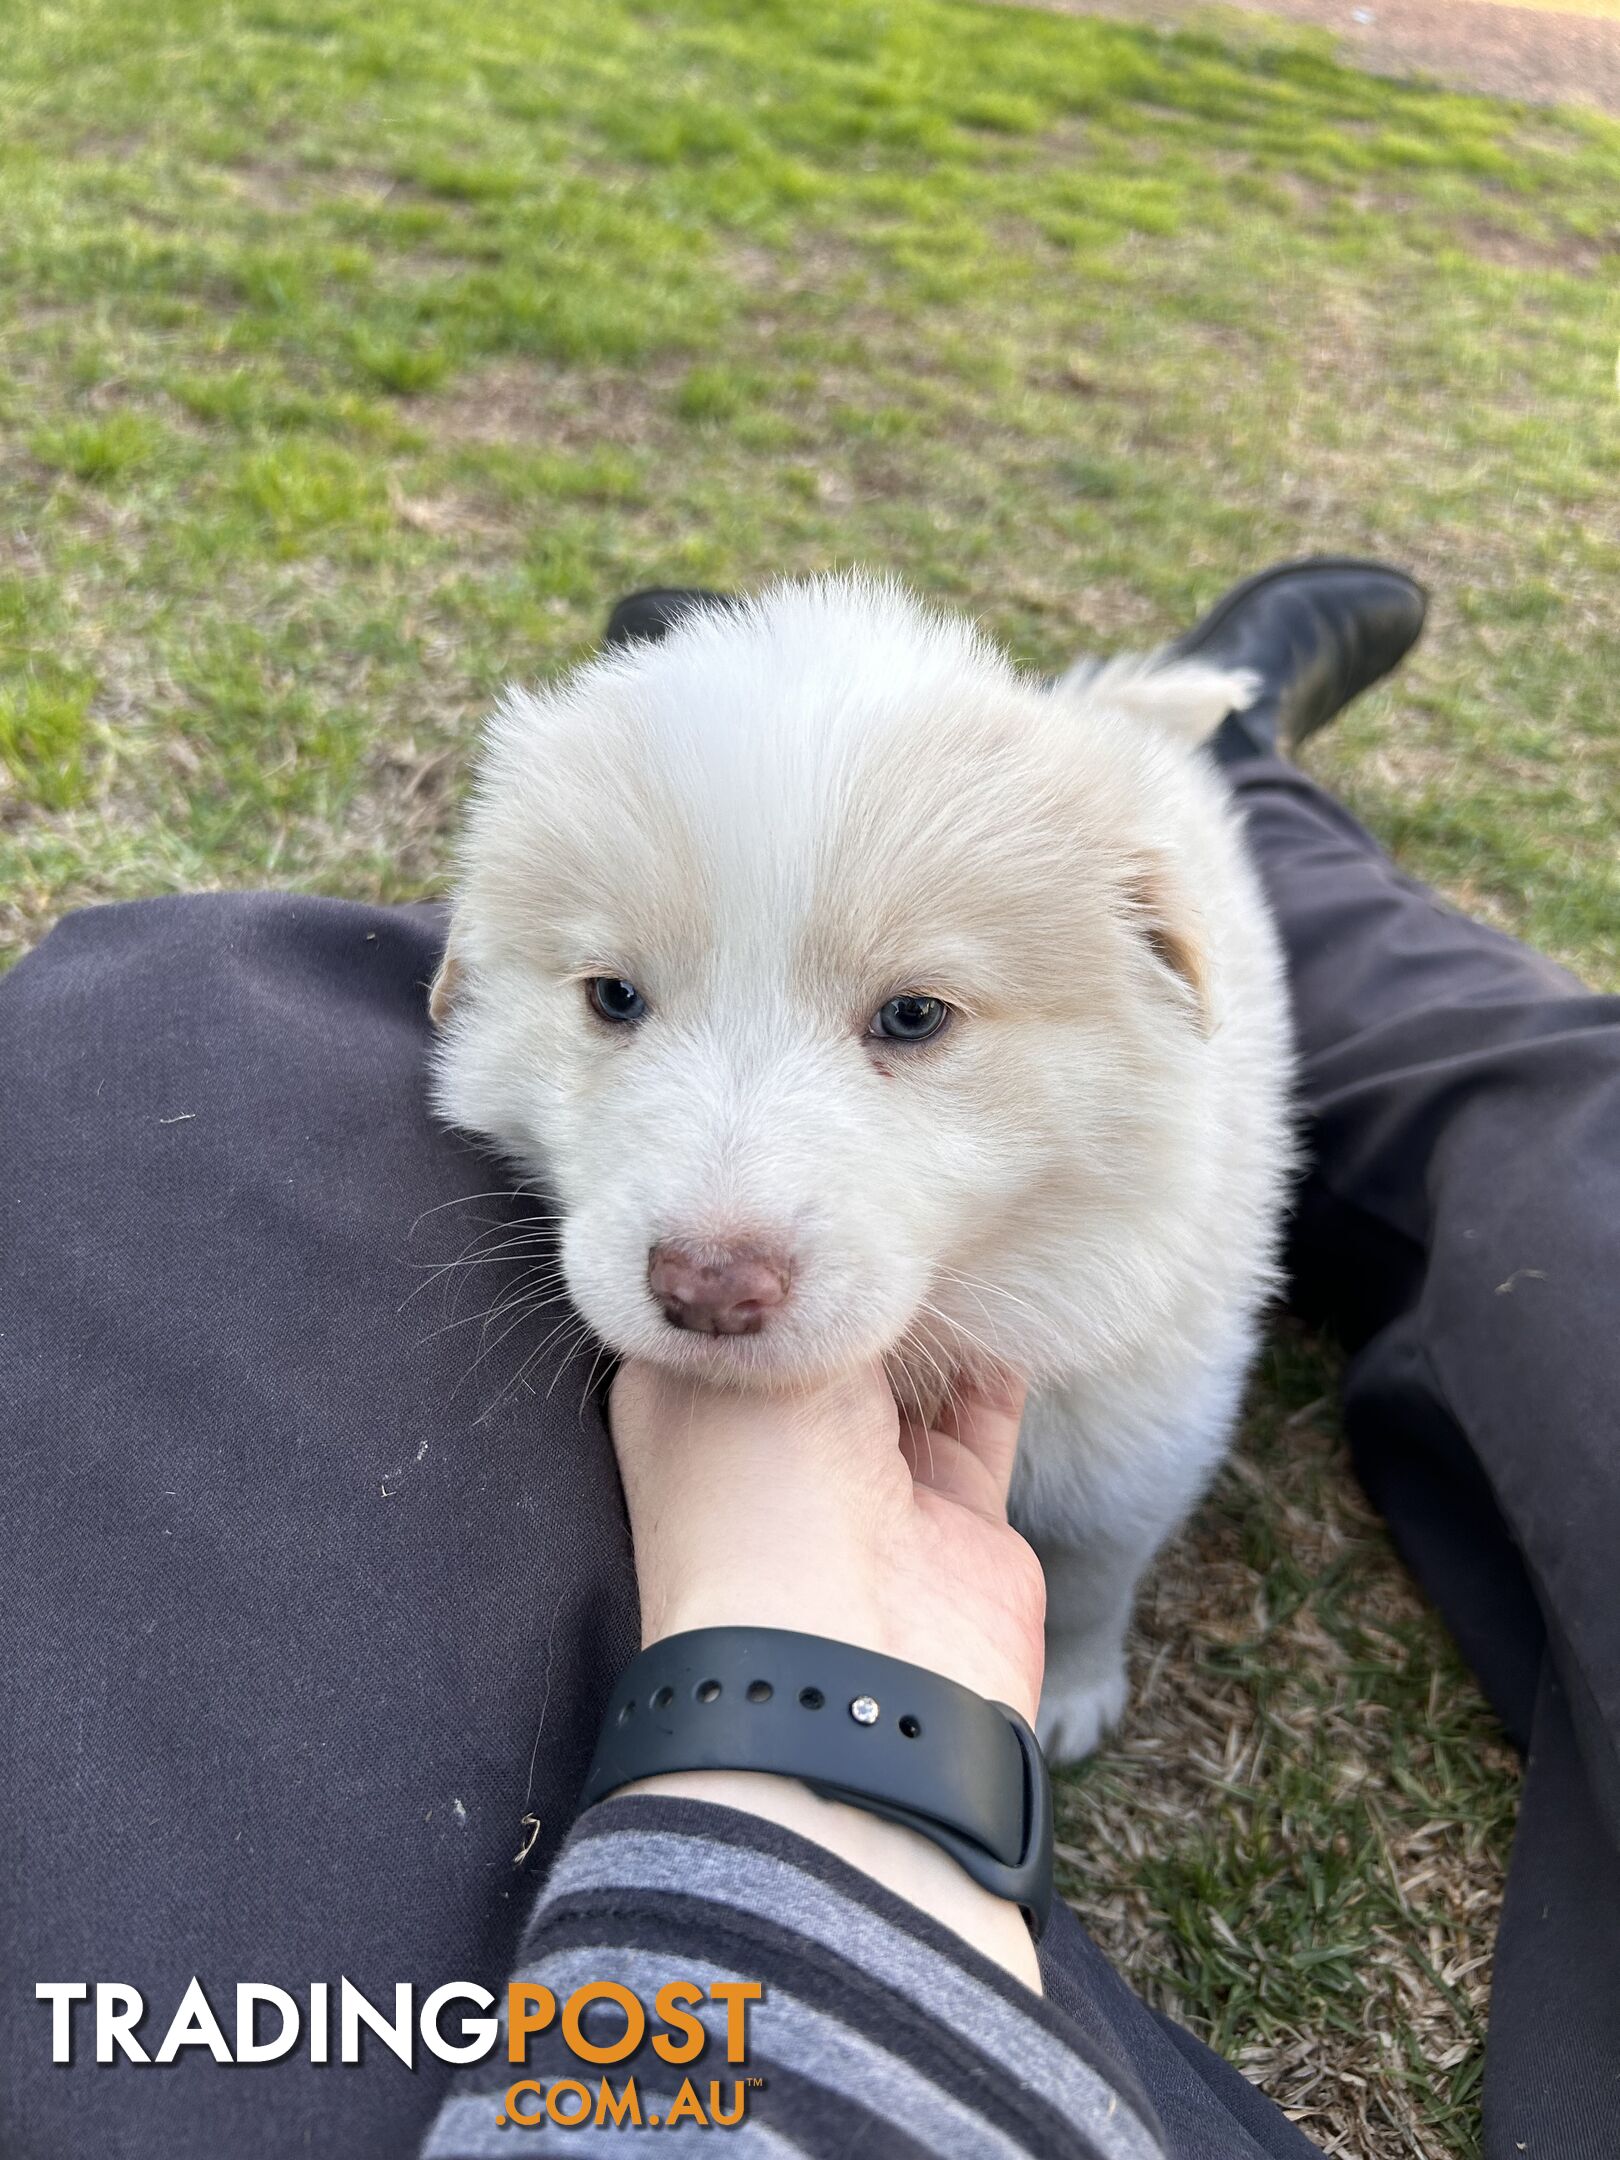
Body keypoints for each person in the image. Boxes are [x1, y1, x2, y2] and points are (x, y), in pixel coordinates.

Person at [2, 561, 1615, 2159]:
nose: (718, 1237)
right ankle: (1095, 755)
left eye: (910, 1019)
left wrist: (1074, 1645)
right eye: (618, 996)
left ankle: (1198, 755)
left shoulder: (1101, 952)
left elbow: (1131, 1465)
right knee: (1510, 1081)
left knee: (158, 1003)